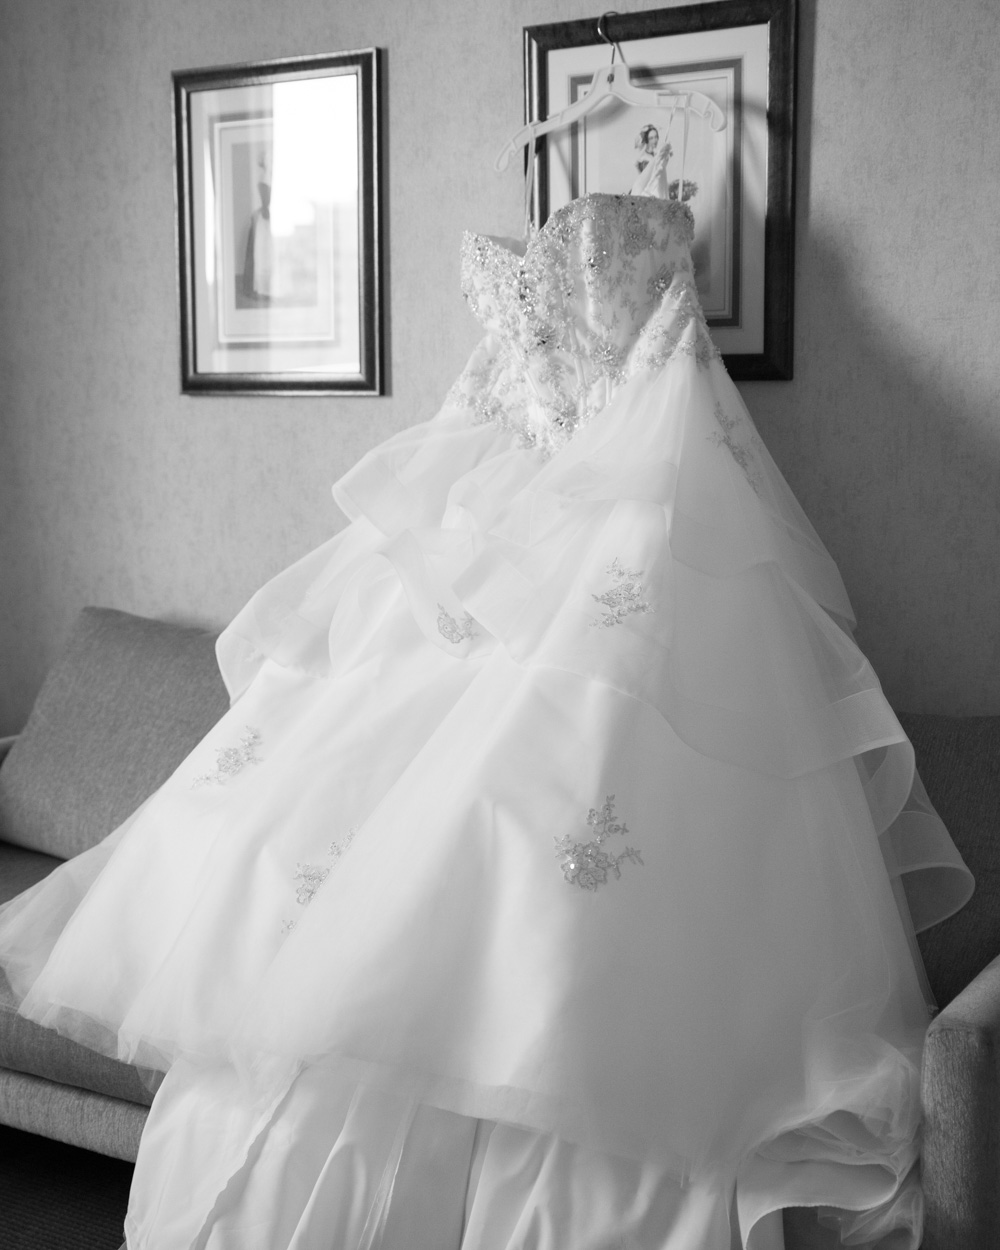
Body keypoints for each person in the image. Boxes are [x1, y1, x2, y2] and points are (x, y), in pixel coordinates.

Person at [0, 187, 973, 1250]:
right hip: (502, 504)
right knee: (379, 844)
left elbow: (669, 380)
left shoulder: (649, 239)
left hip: (629, 527)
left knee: (557, 838)